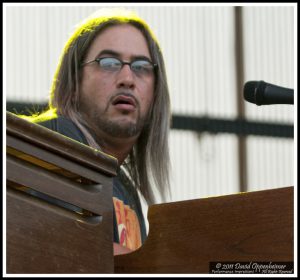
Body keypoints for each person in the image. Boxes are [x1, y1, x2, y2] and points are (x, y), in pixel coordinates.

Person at [22, 8, 171, 255]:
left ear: (156, 94)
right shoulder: (54, 140)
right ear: (74, 83)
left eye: (142, 66)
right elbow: (61, 249)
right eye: (109, 63)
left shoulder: (126, 187)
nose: (127, 78)